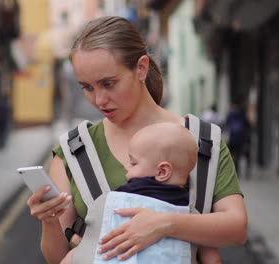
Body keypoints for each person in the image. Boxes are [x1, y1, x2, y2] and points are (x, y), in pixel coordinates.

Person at [26, 16, 247, 264]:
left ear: (141, 68)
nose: (99, 100)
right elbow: (58, 259)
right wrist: (48, 221)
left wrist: (164, 223)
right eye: (87, 87)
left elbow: (237, 228)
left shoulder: (203, 141)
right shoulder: (73, 151)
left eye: (108, 84)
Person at [60, 122, 221, 264]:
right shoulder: (191, 212)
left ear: (162, 171)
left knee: (73, 256)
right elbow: (213, 259)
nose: (127, 167)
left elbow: (99, 237)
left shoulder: (124, 195)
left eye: (133, 163)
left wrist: (73, 238)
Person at [225, 102, 250, 176]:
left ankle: (234, 169)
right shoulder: (242, 114)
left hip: (232, 138)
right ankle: (238, 170)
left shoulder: (231, 113)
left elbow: (227, 123)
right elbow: (247, 124)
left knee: (233, 154)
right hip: (240, 138)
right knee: (239, 154)